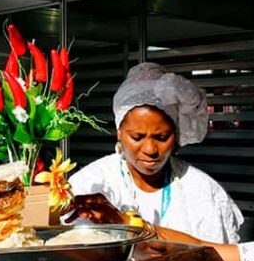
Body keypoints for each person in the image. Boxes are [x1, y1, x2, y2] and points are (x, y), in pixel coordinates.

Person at [66, 62, 242, 243]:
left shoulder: (202, 191)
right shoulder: (92, 184)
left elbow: (220, 259)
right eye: (137, 137)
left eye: (162, 137)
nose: (150, 149)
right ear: (119, 133)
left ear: (176, 135)